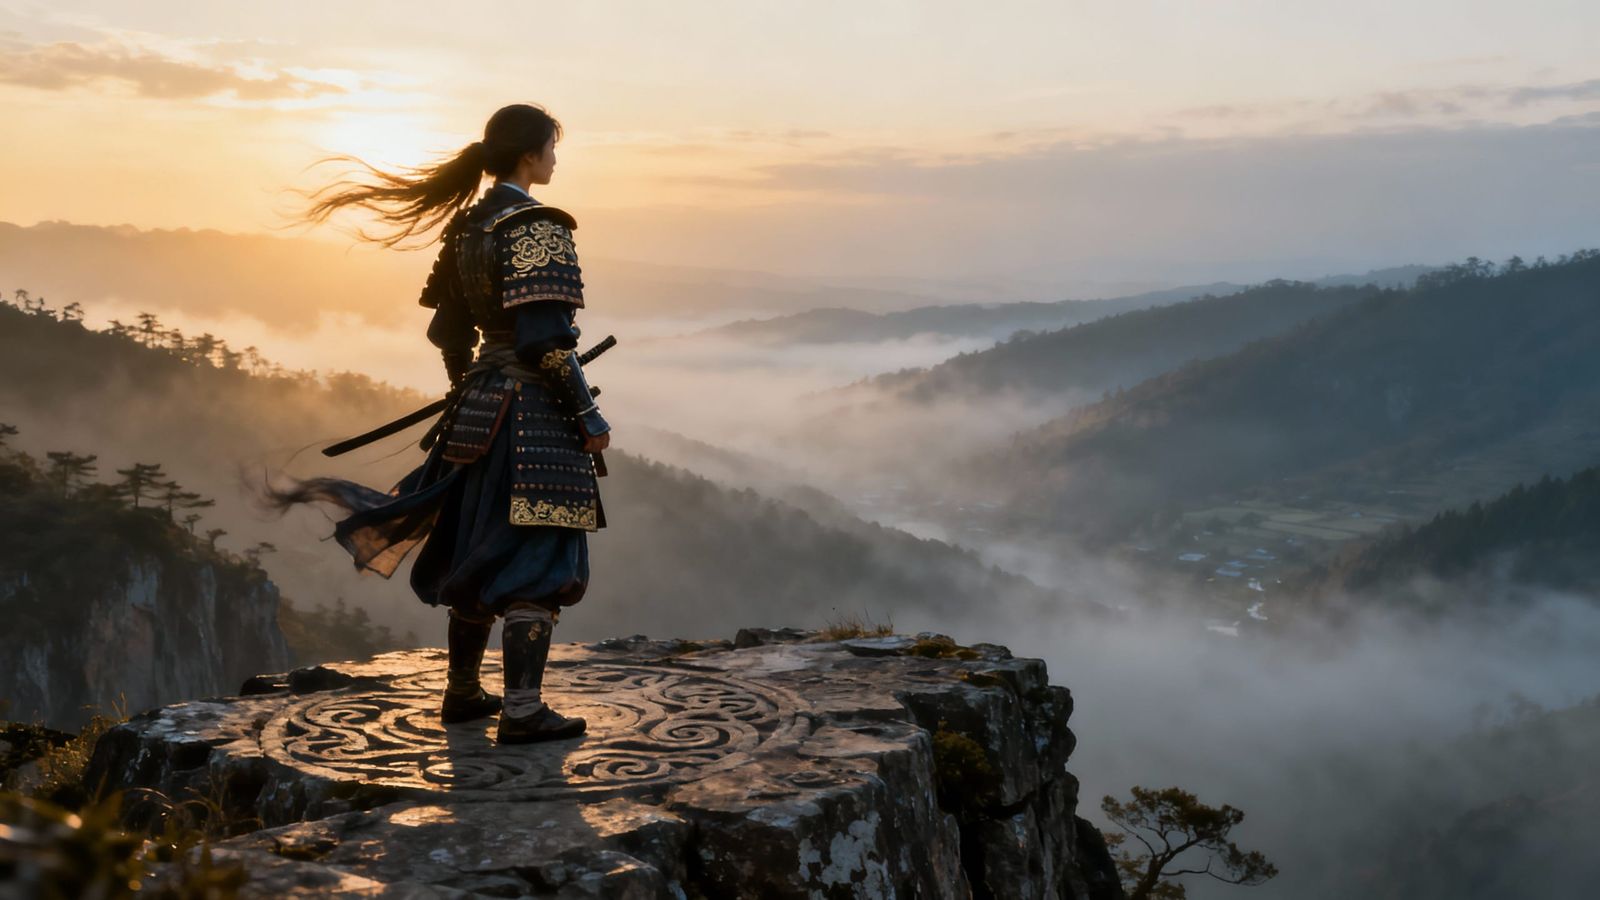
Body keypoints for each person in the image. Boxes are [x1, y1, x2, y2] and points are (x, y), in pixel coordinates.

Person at [277, 103, 610, 744]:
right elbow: (548, 341)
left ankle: (462, 693)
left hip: (477, 414)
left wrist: (470, 385)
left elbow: (447, 331)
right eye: (551, 148)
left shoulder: (467, 227)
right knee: (537, 556)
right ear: (529, 155)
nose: (555, 160)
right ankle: (522, 710)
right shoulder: (538, 225)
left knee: (476, 544)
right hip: (533, 418)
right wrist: (587, 412)